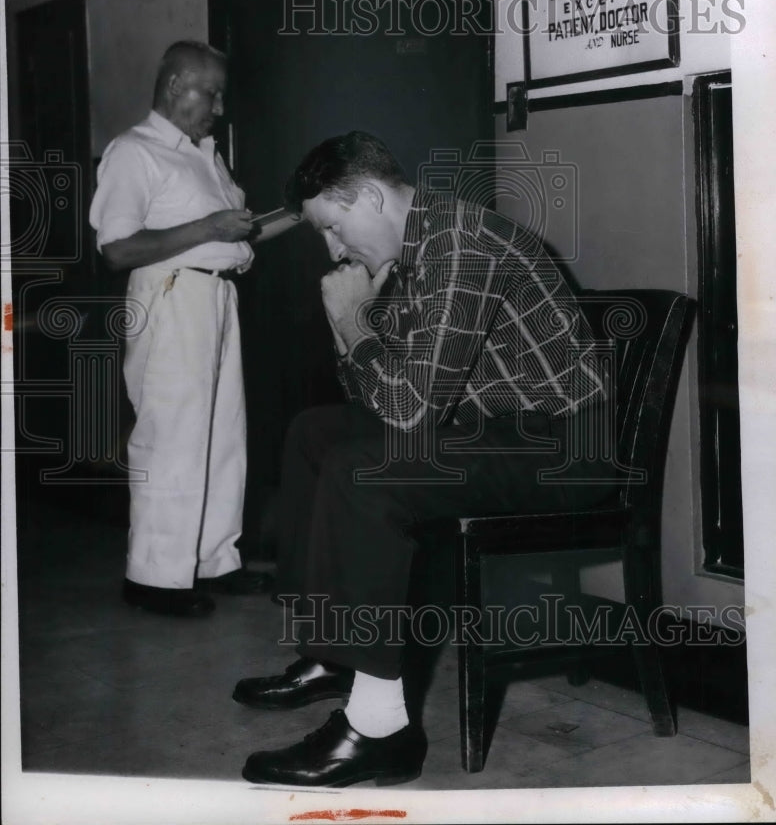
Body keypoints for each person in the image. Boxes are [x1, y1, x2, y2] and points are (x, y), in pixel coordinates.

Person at [233, 130, 616, 787]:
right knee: (313, 434)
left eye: (333, 227)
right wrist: (351, 324)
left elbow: (409, 414)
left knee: (363, 473)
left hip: (559, 449)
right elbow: (379, 399)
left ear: (373, 198)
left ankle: (380, 729)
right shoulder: (412, 252)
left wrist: (353, 324)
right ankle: (332, 650)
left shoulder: (459, 244)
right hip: (488, 431)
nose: (333, 249)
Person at [89, 41, 297, 618]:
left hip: (218, 298)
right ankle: (153, 578)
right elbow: (116, 248)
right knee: (173, 436)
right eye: (213, 92)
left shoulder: (205, 154)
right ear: (178, 84)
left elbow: (238, 235)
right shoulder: (134, 152)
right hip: (172, 298)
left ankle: (213, 562)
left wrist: (300, 211)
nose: (220, 107)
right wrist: (208, 224)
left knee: (223, 436)